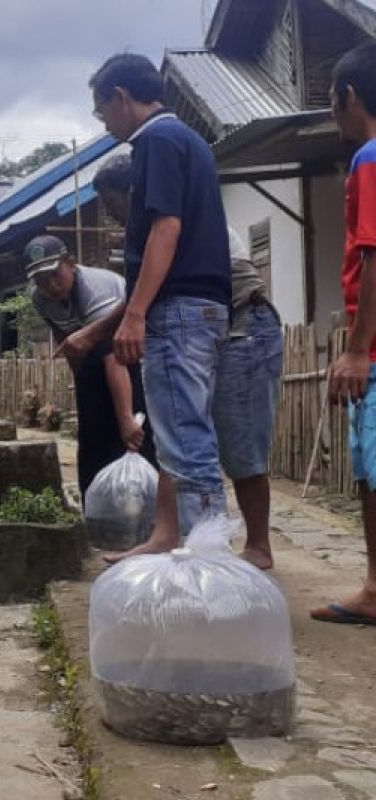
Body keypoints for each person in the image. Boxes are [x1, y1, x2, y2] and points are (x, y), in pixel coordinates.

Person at [61, 54, 232, 548]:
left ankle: (209, 561)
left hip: (177, 309)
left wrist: (134, 314)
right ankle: (184, 543)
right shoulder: (190, 140)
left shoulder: (154, 140)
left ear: (120, 97)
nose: (106, 124)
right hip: (203, 307)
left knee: (185, 439)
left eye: (102, 113)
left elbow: (166, 226)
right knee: (184, 433)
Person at [92, 155, 284, 569]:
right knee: (178, 432)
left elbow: (144, 294)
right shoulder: (150, 232)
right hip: (210, 331)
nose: (111, 216)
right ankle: (167, 536)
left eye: (113, 205)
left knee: (239, 444)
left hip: (244, 329)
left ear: (134, 193)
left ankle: (258, 546)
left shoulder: (175, 223)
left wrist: (96, 331)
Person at [312, 42, 376, 625]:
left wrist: (358, 351)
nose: (332, 112)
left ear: (349, 96)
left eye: (332, 100)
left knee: (375, 469)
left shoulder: (371, 158)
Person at [22, 234, 155, 500]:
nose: (50, 285)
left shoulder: (96, 289)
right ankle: (97, 510)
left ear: (70, 263)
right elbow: (68, 344)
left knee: (131, 438)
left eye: (54, 275)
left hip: (130, 357)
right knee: (93, 445)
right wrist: (82, 388)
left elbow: (113, 355)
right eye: (41, 280)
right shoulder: (40, 298)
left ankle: (142, 514)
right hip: (95, 361)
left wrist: (127, 418)